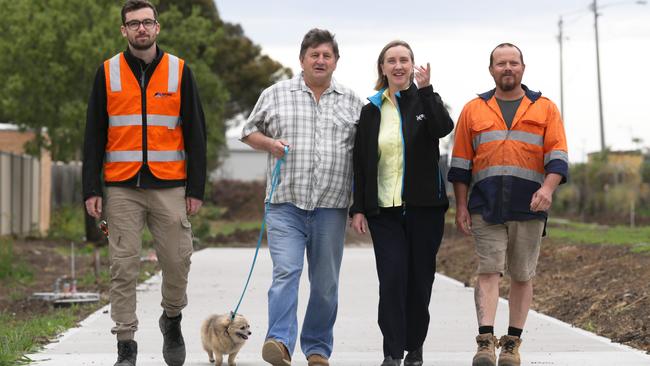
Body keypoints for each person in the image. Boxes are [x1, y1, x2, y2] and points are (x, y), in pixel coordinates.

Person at [82, 0, 207, 365]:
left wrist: (196, 189)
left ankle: (172, 318)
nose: (141, 29)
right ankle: (126, 344)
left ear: (157, 27)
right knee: (123, 266)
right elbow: (93, 135)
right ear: (123, 30)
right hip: (122, 186)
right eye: (133, 23)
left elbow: (197, 134)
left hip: (170, 185)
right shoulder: (106, 72)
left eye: (147, 22)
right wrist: (91, 188)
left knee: (177, 261)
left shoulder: (179, 71)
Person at [240, 29, 363, 366]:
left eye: (326, 55)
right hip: (284, 205)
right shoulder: (275, 94)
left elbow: (364, 155)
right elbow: (248, 130)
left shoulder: (354, 102)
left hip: (331, 207)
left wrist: (361, 207)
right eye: (314, 55)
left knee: (325, 284)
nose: (320, 60)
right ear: (302, 59)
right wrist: (270, 144)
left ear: (336, 61)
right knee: (286, 273)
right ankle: (279, 342)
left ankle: (318, 349)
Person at [447, 43, 568, 366]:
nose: (508, 68)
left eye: (513, 63)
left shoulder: (545, 108)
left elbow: (558, 158)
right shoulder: (473, 109)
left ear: (523, 68)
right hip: (485, 206)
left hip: (529, 205)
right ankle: (485, 341)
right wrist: (460, 206)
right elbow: (460, 165)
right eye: (501, 63)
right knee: (488, 270)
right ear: (491, 70)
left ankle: (512, 344)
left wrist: (547, 189)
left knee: (522, 275)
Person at [349, 40, 454, 366]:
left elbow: (443, 128)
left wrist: (427, 90)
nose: (398, 66)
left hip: (425, 210)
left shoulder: (424, 101)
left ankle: (415, 348)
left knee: (420, 281)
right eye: (391, 61)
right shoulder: (371, 110)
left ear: (412, 65)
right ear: (382, 68)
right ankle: (392, 352)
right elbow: (362, 162)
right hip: (385, 213)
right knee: (392, 280)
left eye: (404, 60)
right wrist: (359, 207)